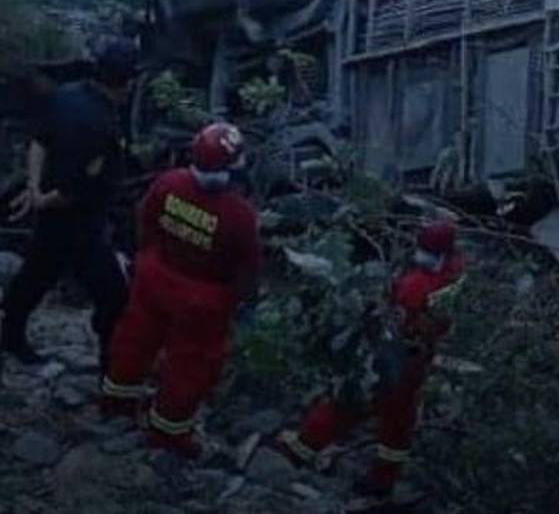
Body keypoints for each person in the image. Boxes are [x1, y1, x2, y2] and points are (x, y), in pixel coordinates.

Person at [99, 122, 261, 459]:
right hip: (202, 298)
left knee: (134, 340)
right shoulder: (239, 214)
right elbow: (248, 268)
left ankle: (117, 402)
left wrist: (146, 259)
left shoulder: (169, 182)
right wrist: (239, 301)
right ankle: (169, 431)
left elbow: (145, 220)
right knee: (191, 363)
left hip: (155, 277)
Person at [275, 220, 466, 502]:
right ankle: (383, 478)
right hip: (419, 361)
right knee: (398, 421)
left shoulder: (416, 284)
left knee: (348, 402)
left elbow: (390, 313)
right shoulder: (455, 276)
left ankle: (301, 449)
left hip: (393, 354)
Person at [1, 37, 138, 366]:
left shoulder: (67, 94)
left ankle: (11, 335)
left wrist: (34, 191)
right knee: (114, 294)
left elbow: (39, 142)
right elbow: (78, 190)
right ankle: (110, 363)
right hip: (80, 225)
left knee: (35, 275)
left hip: (52, 214)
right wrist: (45, 200)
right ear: (128, 82)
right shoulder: (104, 127)